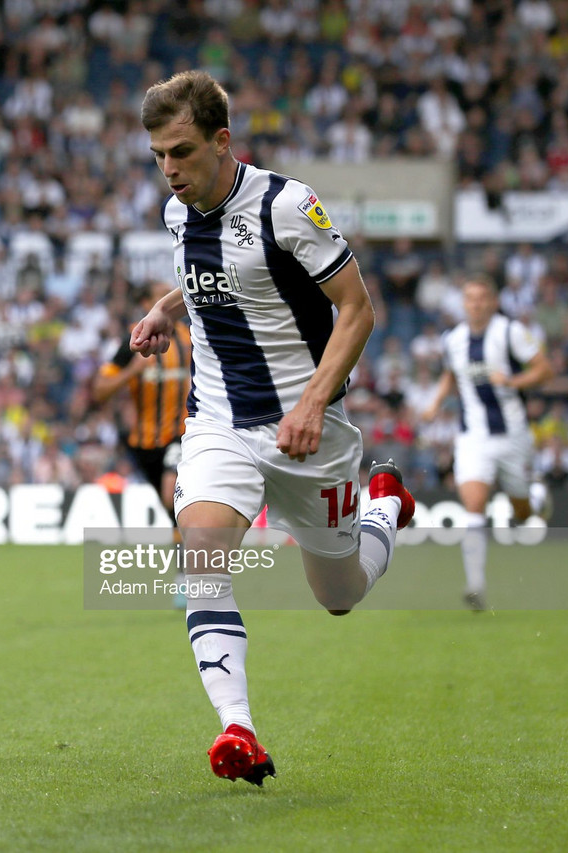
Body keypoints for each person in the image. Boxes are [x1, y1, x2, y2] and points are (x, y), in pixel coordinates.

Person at [128, 70, 414, 786]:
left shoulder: (289, 206)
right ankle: (238, 731)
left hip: (306, 429)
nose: (170, 169)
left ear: (223, 142)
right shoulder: (176, 212)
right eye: (159, 154)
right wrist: (167, 308)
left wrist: (315, 401)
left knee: (339, 595)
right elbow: (212, 275)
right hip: (220, 417)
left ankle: (384, 506)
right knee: (201, 552)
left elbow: (357, 308)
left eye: (183, 152)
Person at [420, 279, 552, 611]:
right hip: (473, 437)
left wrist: (512, 380)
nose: (475, 305)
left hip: (513, 435)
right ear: (462, 303)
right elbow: (452, 373)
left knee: (522, 514)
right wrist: (435, 401)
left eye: (481, 299)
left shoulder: (511, 332)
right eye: (469, 299)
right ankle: (475, 585)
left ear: (493, 301)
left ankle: (536, 500)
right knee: (474, 504)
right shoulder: (453, 339)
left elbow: (545, 369)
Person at [92, 284, 192, 607]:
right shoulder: (132, 343)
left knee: (172, 494)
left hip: (181, 433)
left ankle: (186, 578)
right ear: (147, 303)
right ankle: (189, 569)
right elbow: (99, 390)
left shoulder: (191, 338)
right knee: (171, 512)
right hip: (144, 442)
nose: (169, 300)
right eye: (160, 294)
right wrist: (131, 373)